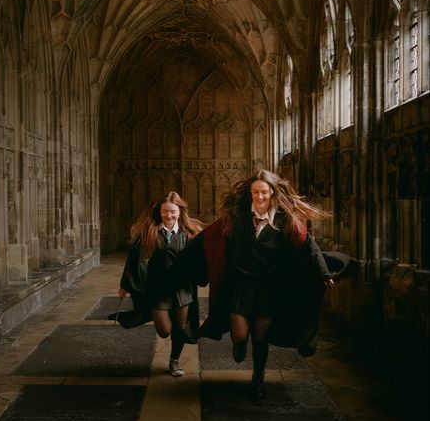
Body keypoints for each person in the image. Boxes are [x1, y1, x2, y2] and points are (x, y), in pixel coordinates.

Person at [171, 170, 348, 400]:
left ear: (273, 193)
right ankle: (239, 347)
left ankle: (258, 378)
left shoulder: (285, 221)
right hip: (240, 285)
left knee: (261, 335)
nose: (260, 197)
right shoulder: (237, 216)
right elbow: (209, 238)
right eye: (255, 192)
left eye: (264, 192)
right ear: (250, 193)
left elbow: (307, 245)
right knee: (240, 335)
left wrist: (323, 273)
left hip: (269, 287)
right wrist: (180, 265)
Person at [118, 191, 203, 377]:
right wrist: (126, 283)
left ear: (180, 211)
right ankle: (172, 333)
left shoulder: (191, 233)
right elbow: (134, 258)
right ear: (160, 212)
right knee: (164, 330)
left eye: (173, 211)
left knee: (179, 328)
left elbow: (203, 258)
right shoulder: (150, 231)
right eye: (165, 211)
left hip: (182, 288)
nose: (169, 215)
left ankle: (174, 361)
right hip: (159, 287)